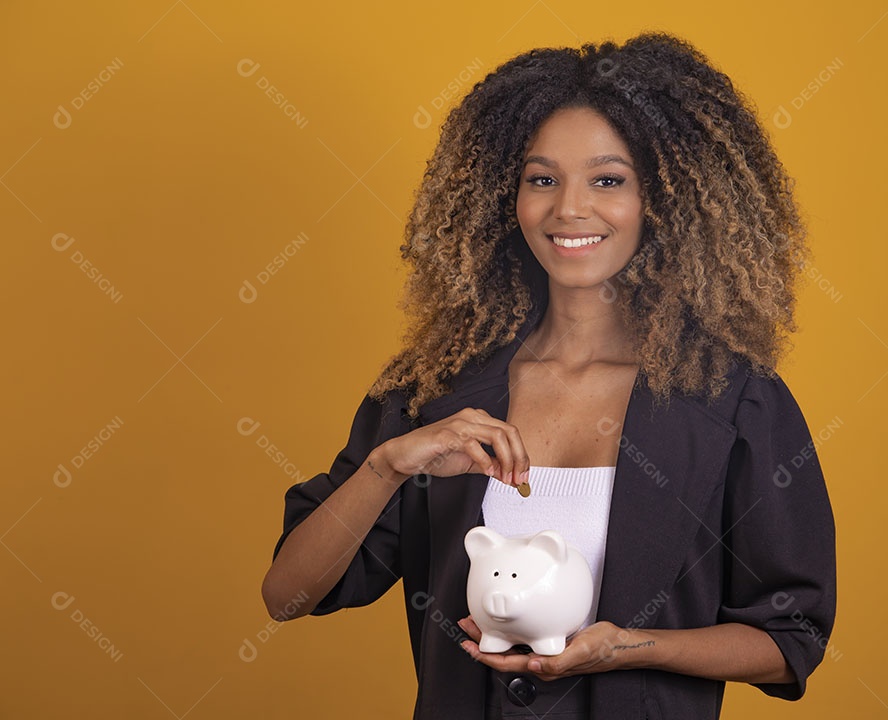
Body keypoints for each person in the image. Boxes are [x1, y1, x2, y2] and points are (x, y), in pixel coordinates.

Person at [262, 30, 836, 720]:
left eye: (608, 179)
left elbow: (790, 636)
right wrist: (386, 465)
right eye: (542, 179)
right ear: (506, 197)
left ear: (667, 199)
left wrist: (630, 648)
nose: (569, 209)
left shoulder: (735, 402)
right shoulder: (433, 390)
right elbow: (287, 596)